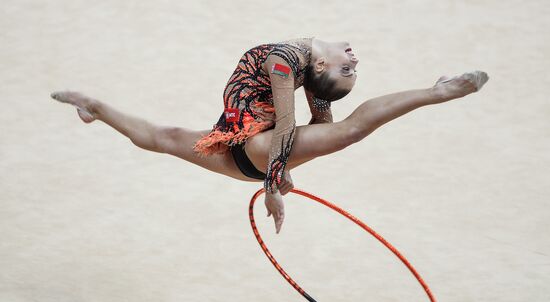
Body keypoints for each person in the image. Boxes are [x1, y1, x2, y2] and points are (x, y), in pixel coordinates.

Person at [51, 37, 489, 234]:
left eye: (351, 69)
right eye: (349, 69)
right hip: (246, 145)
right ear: (318, 67)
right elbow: (287, 125)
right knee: (162, 137)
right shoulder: (288, 62)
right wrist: (275, 180)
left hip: (249, 147)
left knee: (342, 131)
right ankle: (95, 108)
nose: (354, 59)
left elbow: (308, 126)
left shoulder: (301, 68)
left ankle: (439, 90)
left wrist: (277, 177)